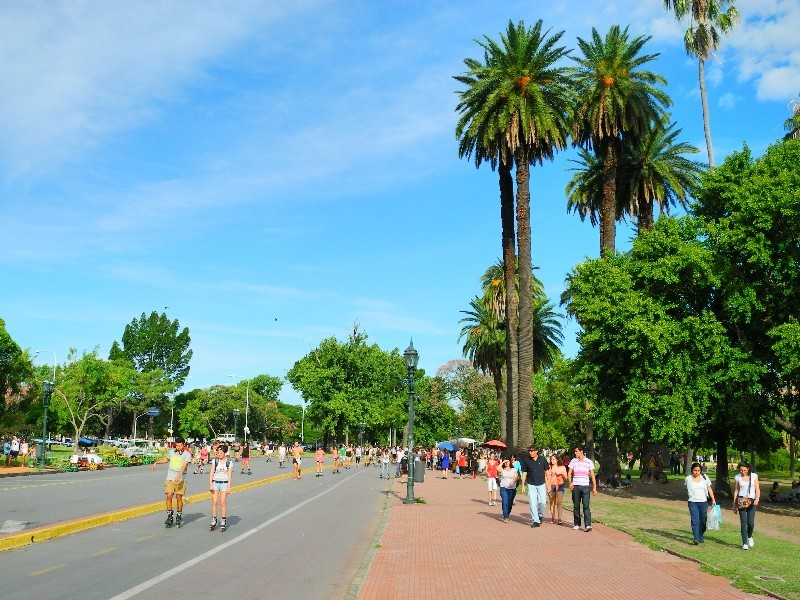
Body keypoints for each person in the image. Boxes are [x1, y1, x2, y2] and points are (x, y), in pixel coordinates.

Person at [152, 436, 192, 528]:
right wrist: (156, 462)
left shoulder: (187, 454)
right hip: (170, 477)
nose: (178, 447)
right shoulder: (171, 452)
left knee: (178, 497)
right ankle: (169, 515)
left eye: (180, 445)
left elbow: (184, 466)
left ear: (183, 445)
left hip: (181, 479)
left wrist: (179, 476)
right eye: (177, 445)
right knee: (169, 495)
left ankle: (178, 515)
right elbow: (167, 459)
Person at [685, 462, 716, 544]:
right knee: (695, 520)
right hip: (692, 502)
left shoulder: (705, 478)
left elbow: (709, 488)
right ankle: (696, 537)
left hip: (703, 502)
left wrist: (713, 499)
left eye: (698, 470)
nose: (697, 472)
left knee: (702, 520)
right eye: (695, 470)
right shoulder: (688, 478)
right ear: (692, 470)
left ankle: (700, 535)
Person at [567, 446, 597, 532]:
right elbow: (569, 473)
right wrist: (570, 482)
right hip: (576, 486)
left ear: (581, 451)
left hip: (585, 486)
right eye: (575, 452)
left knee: (586, 505)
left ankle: (588, 525)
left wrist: (594, 487)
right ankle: (577, 523)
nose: (575, 453)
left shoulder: (588, 462)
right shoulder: (573, 461)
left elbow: (592, 475)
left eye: (576, 451)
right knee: (576, 505)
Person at [733, 462, 760, 550]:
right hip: (742, 500)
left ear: (748, 469)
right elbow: (736, 490)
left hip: (752, 500)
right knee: (743, 522)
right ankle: (744, 542)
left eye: (744, 470)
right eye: (741, 470)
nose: (743, 472)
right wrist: (734, 504)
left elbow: (757, 488)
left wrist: (757, 498)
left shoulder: (754, 476)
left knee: (750, 523)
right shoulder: (737, 477)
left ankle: (749, 536)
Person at [520, 445, 549, 528]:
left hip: (541, 483)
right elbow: (524, 473)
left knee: (543, 502)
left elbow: (547, 471)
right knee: (532, 503)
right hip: (531, 483)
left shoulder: (543, 459)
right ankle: (536, 520)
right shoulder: (526, 460)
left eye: (532, 450)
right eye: (529, 450)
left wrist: (549, 484)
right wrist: (523, 485)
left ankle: (540, 514)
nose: (530, 452)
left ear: (536, 451)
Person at [209, 444, 233, 532]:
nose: (219, 454)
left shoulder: (229, 462)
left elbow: (230, 475)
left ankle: (223, 520)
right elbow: (211, 472)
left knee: (222, 503)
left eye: (221, 453)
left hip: (224, 484)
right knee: (214, 503)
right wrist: (211, 484)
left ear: (225, 453)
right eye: (218, 453)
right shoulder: (215, 461)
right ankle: (213, 520)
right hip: (215, 483)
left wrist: (228, 487)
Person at [546, 454, 568, 524]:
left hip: (560, 485)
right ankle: (553, 517)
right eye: (551, 459)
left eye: (553, 459)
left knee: (559, 502)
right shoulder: (549, 468)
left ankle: (559, 518)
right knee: (552, 502)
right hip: (552, 485)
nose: (552, 461)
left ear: (557, 460)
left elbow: (566, 477)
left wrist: (561, 474)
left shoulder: (562, 467)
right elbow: (546, 477)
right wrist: (548, 486)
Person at [498, 458, 519, 522]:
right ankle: (505, 517)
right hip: (503, 487)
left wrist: (513, 482)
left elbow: (516, 477)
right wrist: (503, 462)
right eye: (505, 462)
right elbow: (497, 469)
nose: (507, 463)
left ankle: (507, 513)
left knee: (510, 503)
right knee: (505, 501)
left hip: (512, 488)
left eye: (508, 461)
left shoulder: (514, 469)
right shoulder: (502, 469)